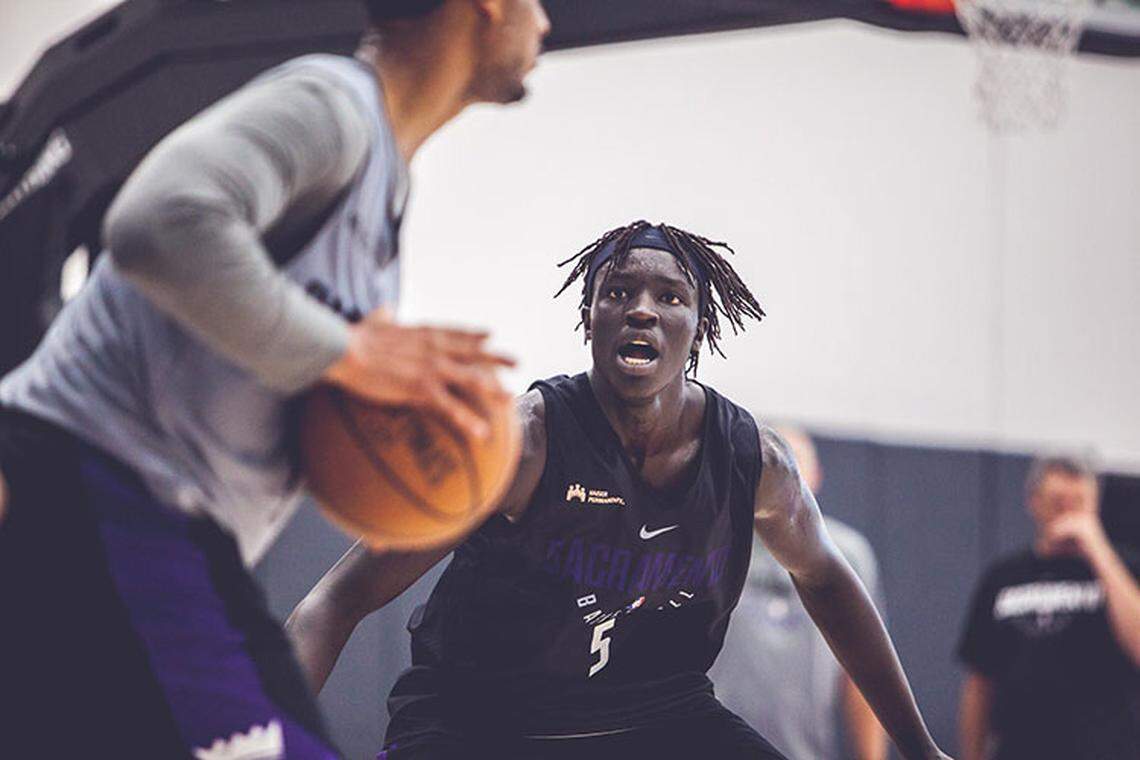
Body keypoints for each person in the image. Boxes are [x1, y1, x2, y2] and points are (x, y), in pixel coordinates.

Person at [0, 1, 550, 756]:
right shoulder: (332, 105)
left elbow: (277, 360)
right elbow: (157, 223)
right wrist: (352, 355)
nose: (546, 23)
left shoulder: (384, 185)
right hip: (98, 483)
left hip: (176, 533)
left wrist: (391, 430)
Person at [287, 220, 952, 760]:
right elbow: (335, 601)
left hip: (656, 716)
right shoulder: (524, 442)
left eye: (670, 297)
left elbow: (828, 580)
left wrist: (923, 749)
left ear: (698, 327)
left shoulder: (750, 458)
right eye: (618, 292)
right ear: (589, 318)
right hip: (479, 720)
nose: (642, 309)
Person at [709, 425, 888, 760]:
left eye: (792, 468)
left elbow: (863, 670)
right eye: (767, 468)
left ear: (815, 476)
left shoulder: (846, 555)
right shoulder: (712, 544)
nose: (781, 480)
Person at [957, 455, 1140, 760]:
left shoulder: (1126, 568)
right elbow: (979, 682)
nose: (1069, 513)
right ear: (1034, 502)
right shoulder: (1003, 577)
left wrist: (1098, 551)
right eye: (1058, 502)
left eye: (1078, 503)